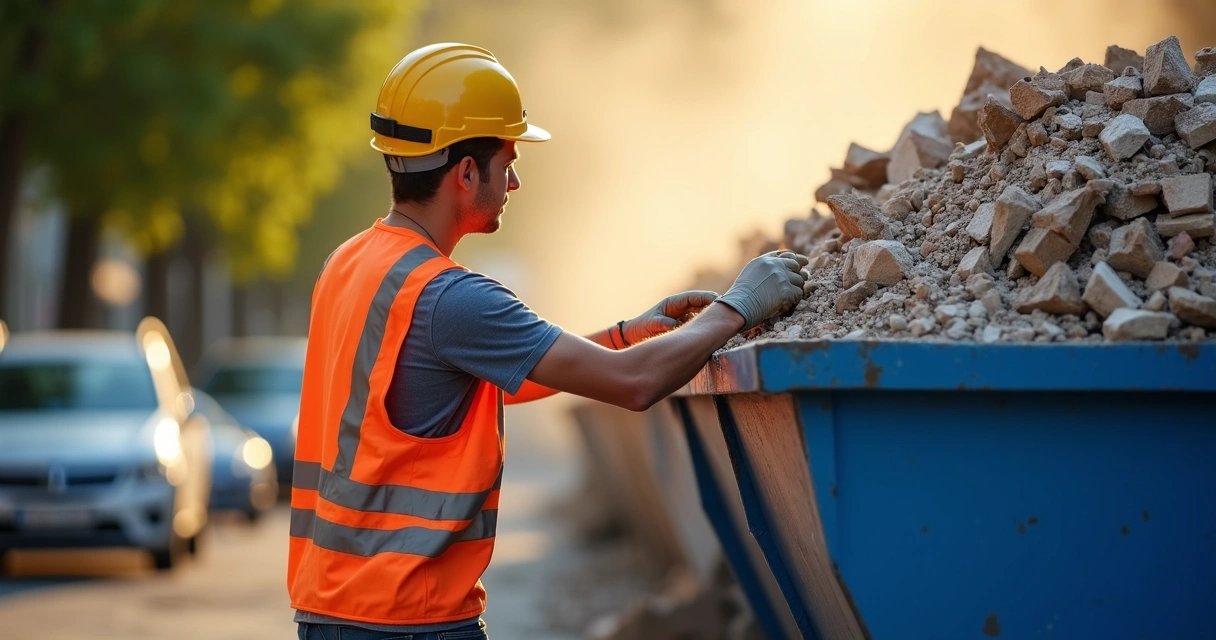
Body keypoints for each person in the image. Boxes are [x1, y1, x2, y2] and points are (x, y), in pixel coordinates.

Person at [289, 43, 809, 640]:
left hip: (332, 611)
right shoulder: (454, 299)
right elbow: (634, 385)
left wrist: (618, 337)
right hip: (408, 619)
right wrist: (736, 307)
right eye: (507, 160)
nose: (514, 181)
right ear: (464, 174)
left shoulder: (350, 264)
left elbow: (441, 397)